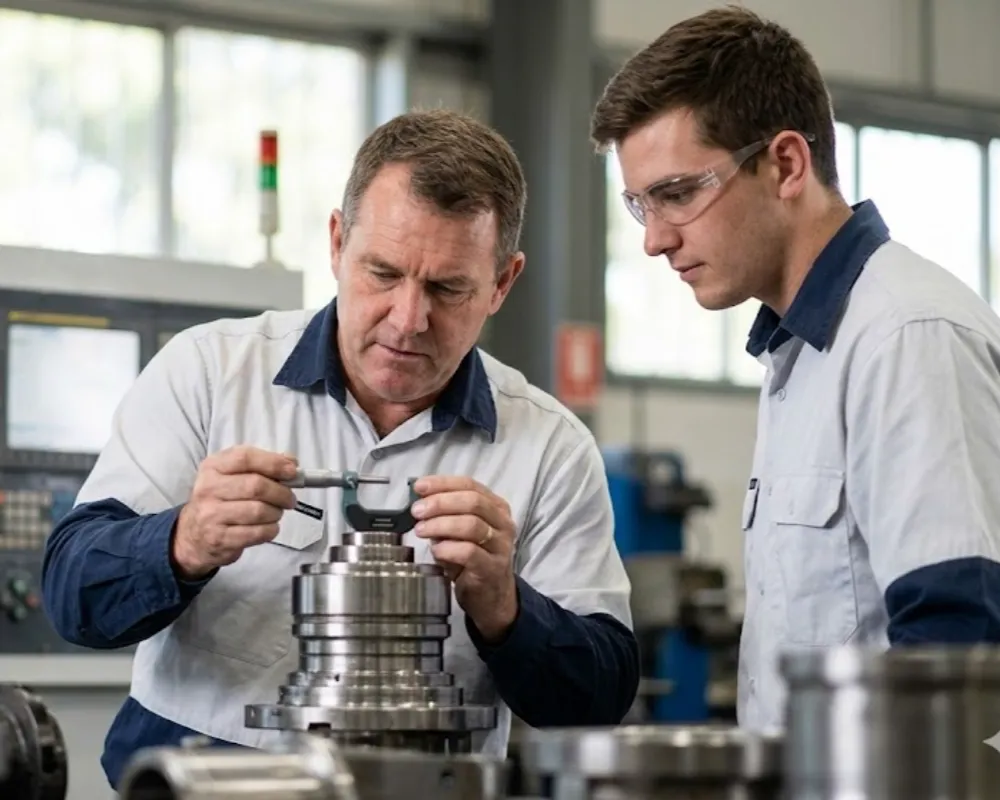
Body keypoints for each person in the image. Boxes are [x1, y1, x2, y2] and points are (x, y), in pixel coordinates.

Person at [41, 108, 640, 788]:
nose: (408, 320)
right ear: (336, 242)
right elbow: (71, 592)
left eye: (448, 288)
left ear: (503, 282)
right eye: (382, 273)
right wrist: (182, 542)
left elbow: (598, 697)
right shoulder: (209, 375)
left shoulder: (549, 448)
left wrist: (504, 606)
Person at [590, 6, 1000, 733]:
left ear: (785, 164)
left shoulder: (905, 335)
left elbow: (958, 643)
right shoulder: (801, 353)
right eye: (639, 204)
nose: (654, 240)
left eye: (679, 193)